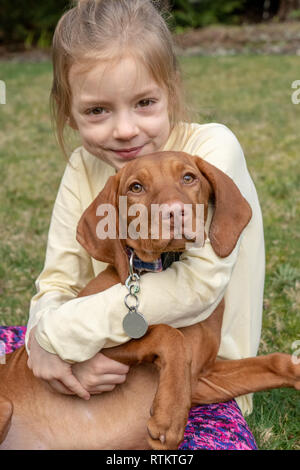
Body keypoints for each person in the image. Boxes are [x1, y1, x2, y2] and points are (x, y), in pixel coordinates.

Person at [25, 0, 264, 450]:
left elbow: (196, 287)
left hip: (204, 382)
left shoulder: (211, 149)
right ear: (67, 111)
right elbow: (57, 280)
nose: (125, 130)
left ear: (170, 91)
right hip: (112, 357)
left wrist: (58, 335)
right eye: (97, 111)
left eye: (144, 103)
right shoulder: (83, 167)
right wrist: (43, 344)